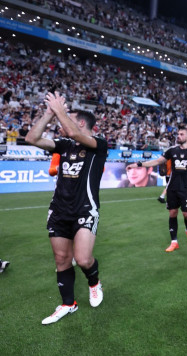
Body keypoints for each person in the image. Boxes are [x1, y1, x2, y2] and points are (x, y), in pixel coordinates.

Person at [25, 92, 108, 325]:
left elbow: (73, 131)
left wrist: (59, 107)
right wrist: (49, 112)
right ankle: (68, 303)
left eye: (66, 118)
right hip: (59, 209)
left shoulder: (99, 145)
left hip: (85, 209)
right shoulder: (63, 145)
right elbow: (31, 138)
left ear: (80, 122)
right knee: (61, 259)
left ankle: (94, 282)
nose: (60, 124)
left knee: (82, 259)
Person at [128, 128, 187, 252]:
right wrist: (139, 164)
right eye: (177, 134)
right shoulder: (171, 151)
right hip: (172, 187)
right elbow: (157, 161)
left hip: (186, 188)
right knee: (172, 213)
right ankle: (174, 242)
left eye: (181, 134)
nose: (178, 136)